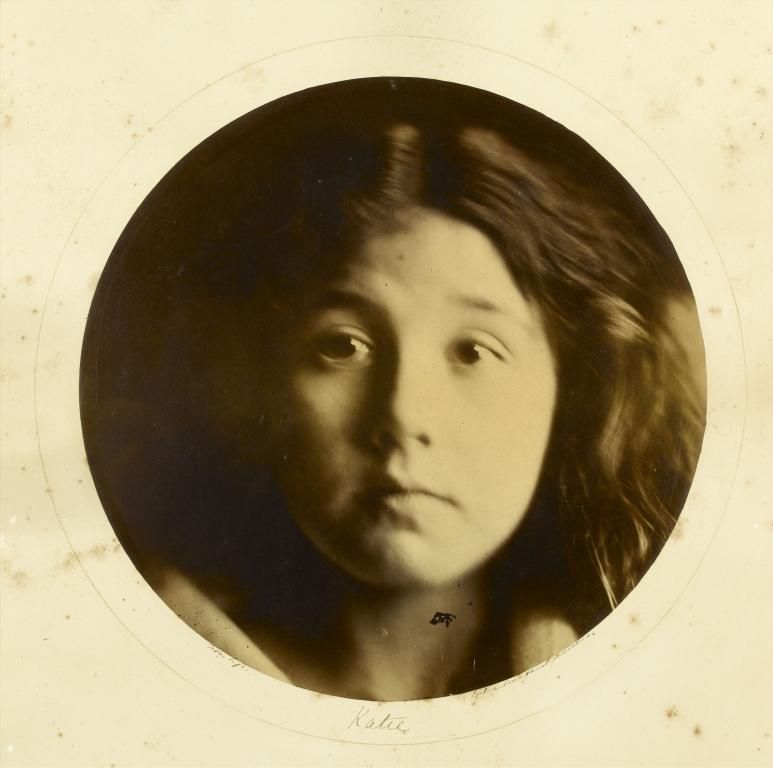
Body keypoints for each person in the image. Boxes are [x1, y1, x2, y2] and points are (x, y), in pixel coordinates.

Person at [84, 79, 705, 701]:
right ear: (260, 382)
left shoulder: (646, 675)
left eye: (473, 352)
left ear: (571, 391)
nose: (405, 417)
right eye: (343, 346)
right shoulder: (137, 676)